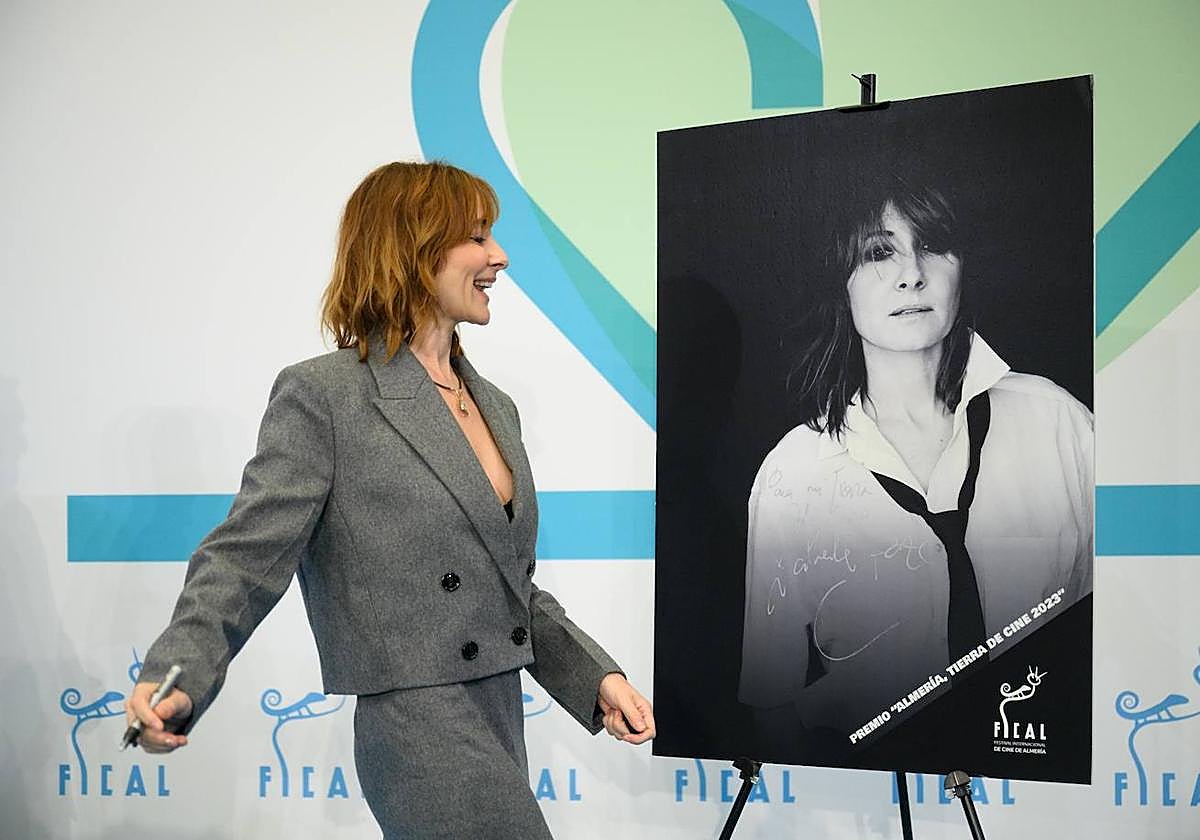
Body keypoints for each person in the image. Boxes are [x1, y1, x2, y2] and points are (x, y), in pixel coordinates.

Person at [124, 161, 655, 838]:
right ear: (414, 249)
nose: (500, 256)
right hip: (415, 723)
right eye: (478, 237)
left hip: (499, 711)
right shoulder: (326, 397)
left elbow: (508, 591)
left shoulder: (495, 406)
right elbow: (244, 560)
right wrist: (176, 675)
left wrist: (594, 677)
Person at [738, 177, 1092, 743]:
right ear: (841, 282)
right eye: (880, 252)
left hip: (1037, 792)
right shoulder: (794, 472)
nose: (912, 274)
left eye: (932, 245)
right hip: (867, 802)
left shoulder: (1059, 425)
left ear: (964, 266)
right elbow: (771, 703)